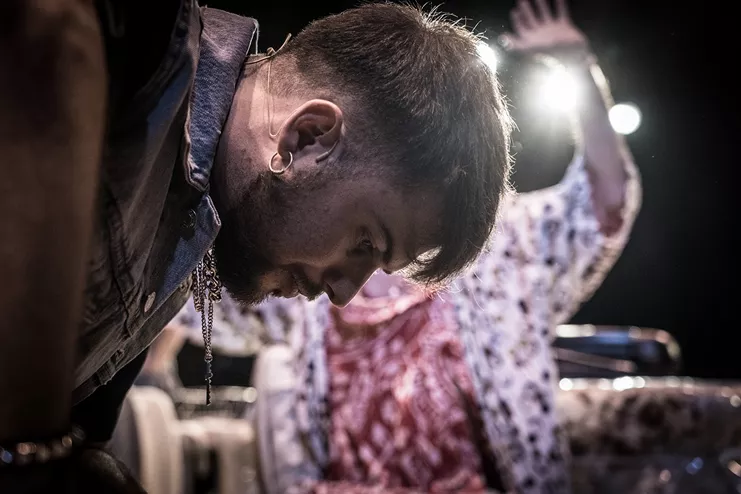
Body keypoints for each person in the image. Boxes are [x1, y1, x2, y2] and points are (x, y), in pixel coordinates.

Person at [0, 0, 513, 491]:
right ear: (307, 137)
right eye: (366, 242)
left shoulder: (192, 234)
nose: (343, 294)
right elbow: (50, 26)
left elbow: (78, 446)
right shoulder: (149, 39)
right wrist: (30, 440)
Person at [252, 0, 642, 492]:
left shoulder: (509, 242)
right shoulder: (312, 265)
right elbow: (208, 294)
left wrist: (578, 70)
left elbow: (606, 204)